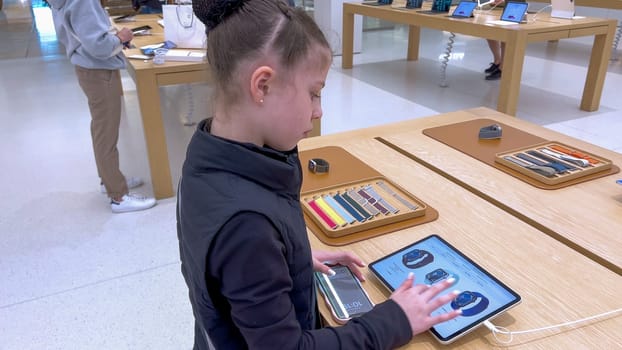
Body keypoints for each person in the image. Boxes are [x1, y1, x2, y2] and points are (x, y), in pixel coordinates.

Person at [176, 0, 462, 349]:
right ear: (262, 86)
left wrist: (288, 260)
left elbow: (228, 266)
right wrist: (395, 319)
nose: (319, 111)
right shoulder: (247, 228)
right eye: (314, 93)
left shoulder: (209, 153)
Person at [49, 0, 156, 213]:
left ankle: (108, 179)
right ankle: (119, 196)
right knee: (106, 131)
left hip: (86, 66)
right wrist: (120, 37)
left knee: (101, 127)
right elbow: (99, 45)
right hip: (99, 69)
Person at [484, 0, 506, 80]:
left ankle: (503, 68)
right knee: (489, 30)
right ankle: (497, 61)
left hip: (510, 7)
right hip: (493, 6)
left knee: (506, 34)